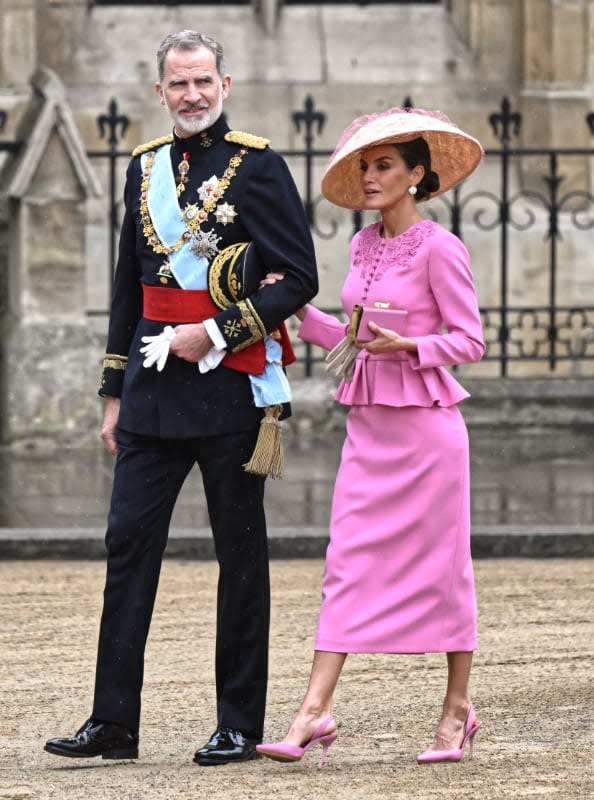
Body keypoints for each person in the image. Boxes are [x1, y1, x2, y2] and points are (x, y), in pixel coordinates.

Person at [44, 30, 318, 766]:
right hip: (149, 396)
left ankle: (237, 721)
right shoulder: (142, 170)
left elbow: (299, 276)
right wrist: (112, 394)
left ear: (224, 84)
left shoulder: (259, 168)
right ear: (159, 91)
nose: (193, 95)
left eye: (204, 82)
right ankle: (113, 722)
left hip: (229, 393)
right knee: (126, 547)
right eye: (179, 84)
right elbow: (127, 288)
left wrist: (220, 333)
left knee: (241, 556)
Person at [255, 107, 485, 768]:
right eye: (367, 165)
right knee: (346, 565)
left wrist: (410, 342)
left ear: (418, 175)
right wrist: (296, 309)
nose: (372, 176)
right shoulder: (362, 245)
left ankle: (456, 712)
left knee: (445, 572)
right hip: (369, 432)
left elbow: (470, 341)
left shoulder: (442, 248)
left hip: (429, 436)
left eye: (385, 165)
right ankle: (312, 712)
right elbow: (352, 337)